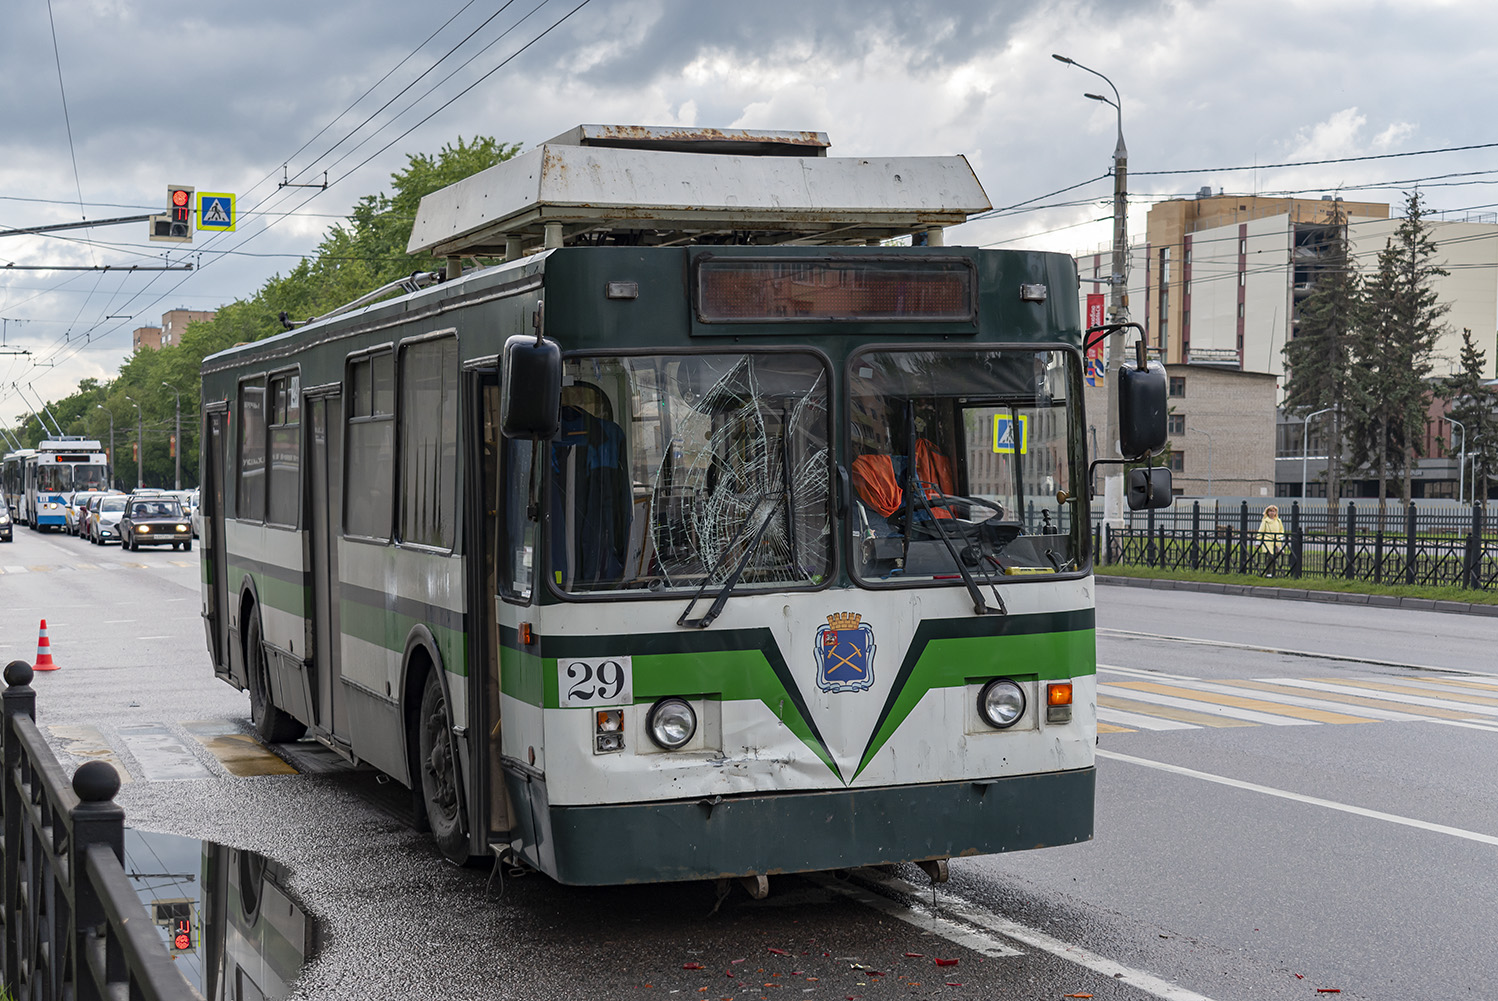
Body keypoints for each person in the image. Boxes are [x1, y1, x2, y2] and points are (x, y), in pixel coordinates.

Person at [1257, 504, 1285, 577]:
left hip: (1276, 542)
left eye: (1274, 511)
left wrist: (1280, 537)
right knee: (1270, 557)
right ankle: (1268, 573)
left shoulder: (1278, 521)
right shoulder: (1265, 521)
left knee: (1275, 558)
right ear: (1267, 512)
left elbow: (1281, 531)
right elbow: (1261, 531)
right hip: (1268, 542)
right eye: (1270, 511)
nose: (1272, 513)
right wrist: (1258, 542)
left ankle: (1273, 572)